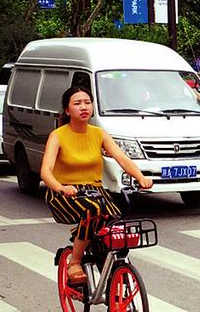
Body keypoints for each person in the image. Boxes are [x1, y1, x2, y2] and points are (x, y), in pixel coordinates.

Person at [40, 86, 153, 285]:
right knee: (93, 211)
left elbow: (121, 158)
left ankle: (110, 268)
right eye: (77, 103)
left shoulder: (98, 134)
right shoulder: (58, 135)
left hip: (95, 192)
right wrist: (60, 188)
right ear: (67, 110)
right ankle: (74, 261)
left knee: (115, 223)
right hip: (65, 194)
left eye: (87, 102)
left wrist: (140, 177)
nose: (83, 107)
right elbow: (46, 171)